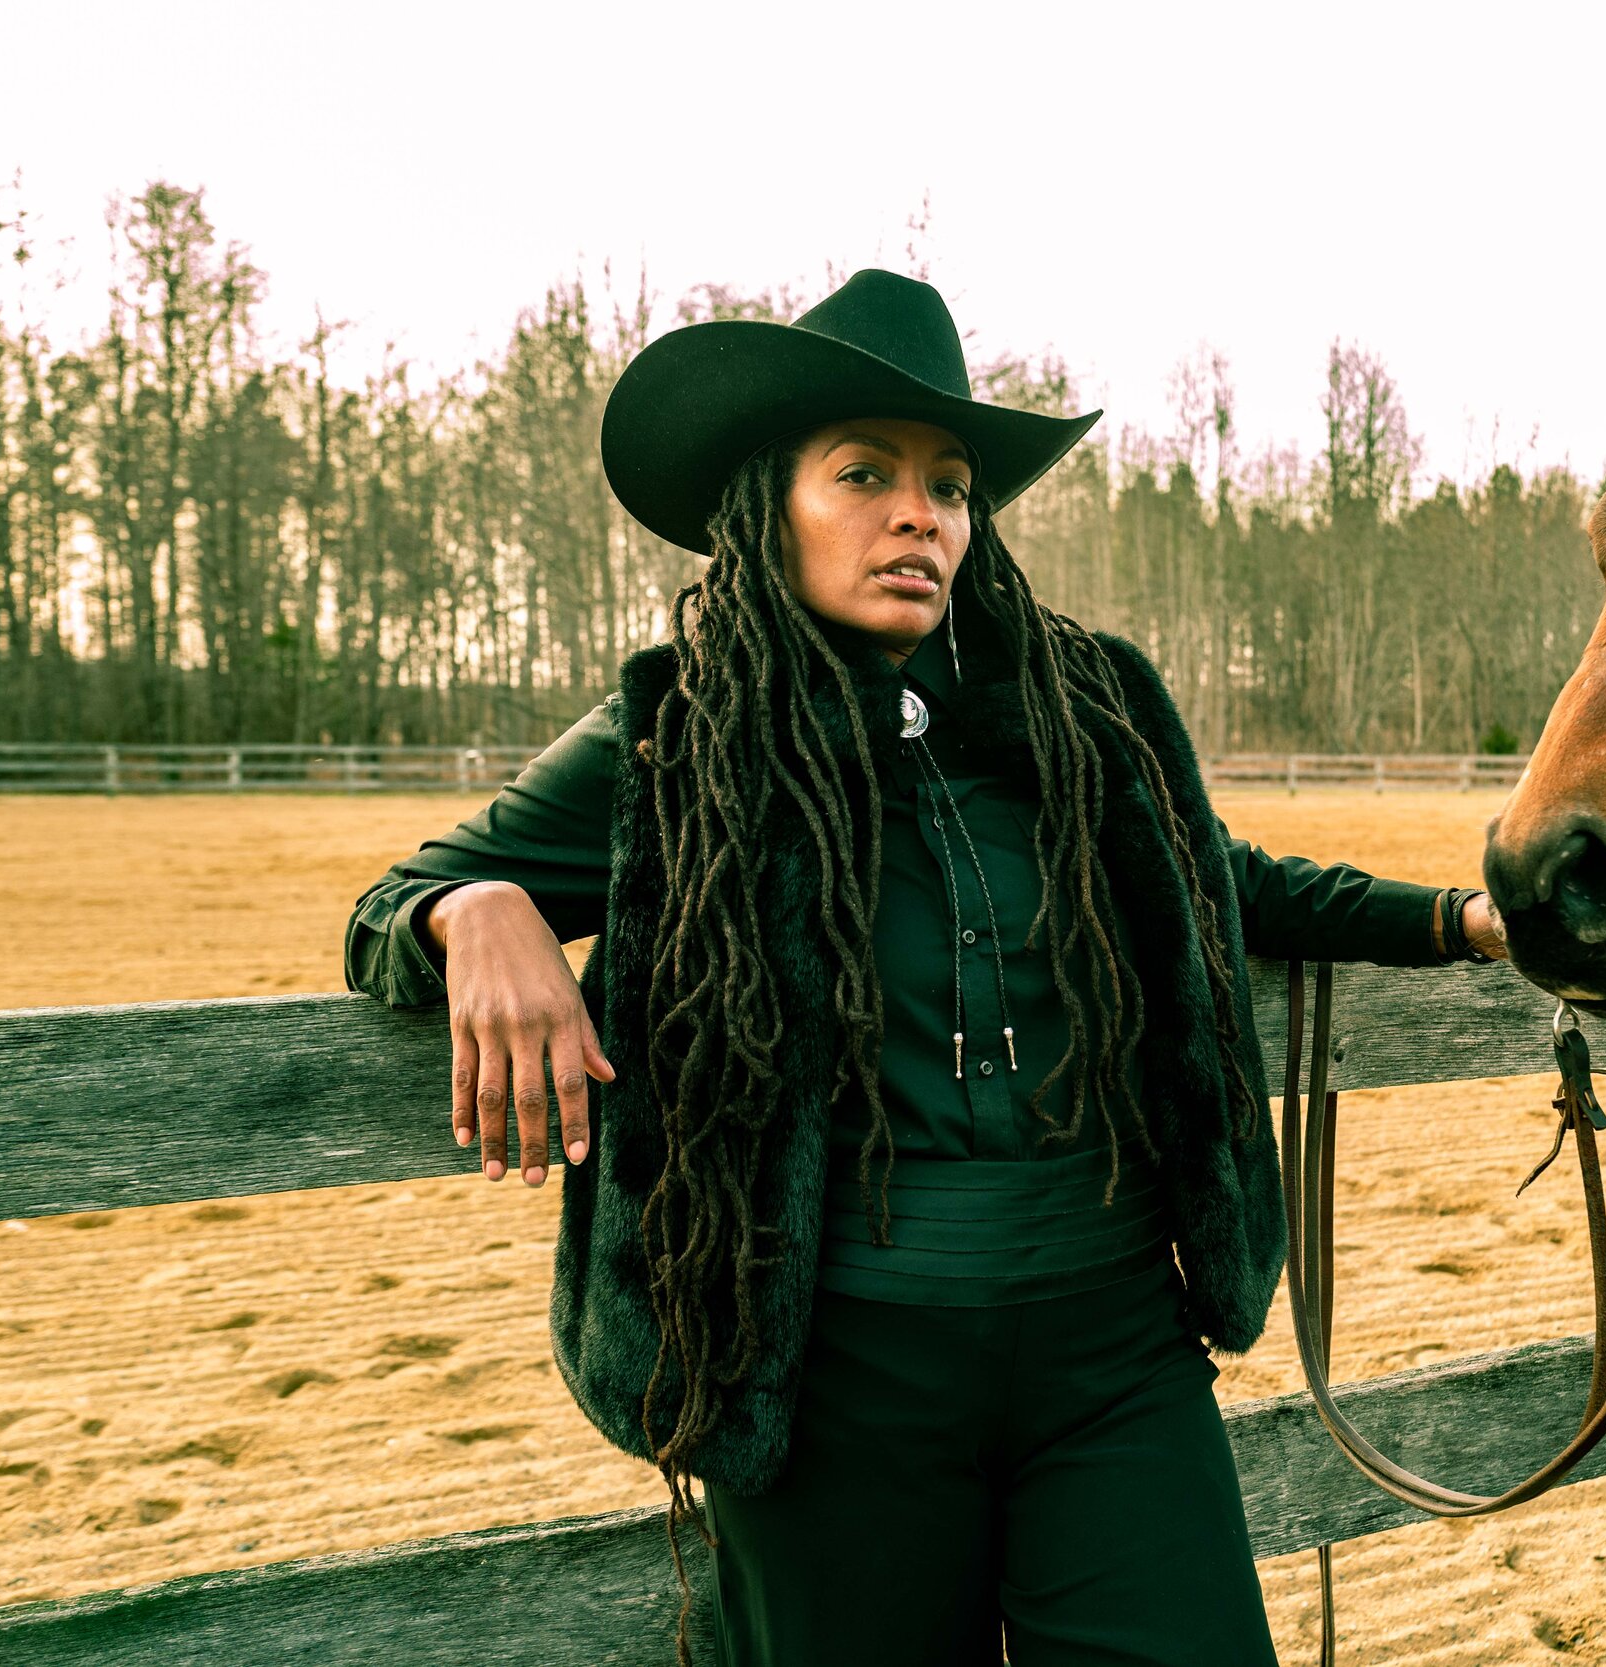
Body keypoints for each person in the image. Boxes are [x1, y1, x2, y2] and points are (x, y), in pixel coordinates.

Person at [343, 269, 1505, 1667]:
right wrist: (474, 910)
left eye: (950, 486)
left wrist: (1458, 919)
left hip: (1114, 1346)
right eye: (865, 474)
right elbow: (388, 904)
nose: (921, 513)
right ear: (766, 502)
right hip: (836, 1375)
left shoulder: (1085, 709)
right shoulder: (679, 737)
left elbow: (1222, 879)